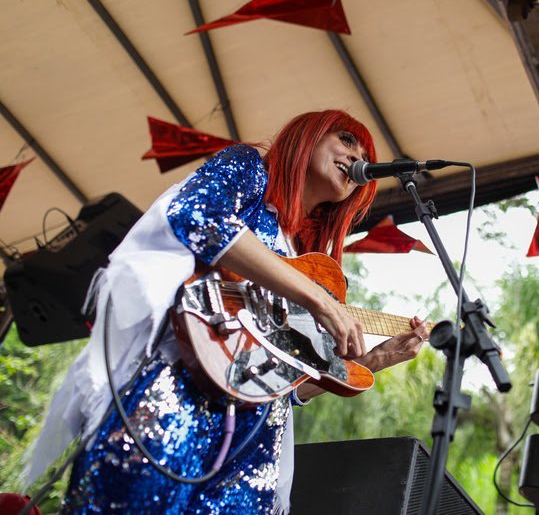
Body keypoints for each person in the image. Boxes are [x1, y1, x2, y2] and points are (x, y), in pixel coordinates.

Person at [24, 110, 429, 514]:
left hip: (254, 453)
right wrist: (318, 299)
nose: (355, 154)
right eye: (345, 139)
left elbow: (287, 387)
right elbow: (196, 217)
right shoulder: (249, 167)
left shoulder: (310, 259)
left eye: (362, 150)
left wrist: (373, 361)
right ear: (308, 136)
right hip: (178, 400)